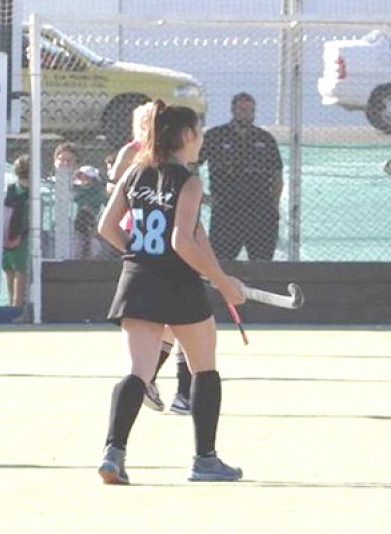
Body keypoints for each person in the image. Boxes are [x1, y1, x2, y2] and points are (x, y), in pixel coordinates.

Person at [97, 99, 245, 484]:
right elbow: (182, 241)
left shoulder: (133, 174)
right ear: (187, 135)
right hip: (178, 284)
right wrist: (223, 283)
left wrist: (139, 253)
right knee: (204, 368)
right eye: (199, 133)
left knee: (138, 372)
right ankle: (205, 460)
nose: (201, 140)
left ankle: (113, 455)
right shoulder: (189, 181)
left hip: (137, 280)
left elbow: (107, 227)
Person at [108, 102, 193, 414]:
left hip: (156, 250)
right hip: (149, 246)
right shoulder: (135, 156)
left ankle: (172, 389)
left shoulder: (177, 166)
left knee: (171, 326)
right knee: (181, 324)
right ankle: (174, 390)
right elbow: (113, 198)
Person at [198, 92, 283, 261]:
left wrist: (273, 205)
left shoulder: (265, 139)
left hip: (260, 213)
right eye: (243, 110)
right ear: (233, 110)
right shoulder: (215, 136)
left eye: (251, 110)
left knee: (262, 265)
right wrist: (202, 197)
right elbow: (192, 165)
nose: (247, 114)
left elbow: (277, 176)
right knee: (221, 262)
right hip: (227, 211)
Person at [3, 154, 31, 322]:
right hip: (9, 232)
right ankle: (12, 302)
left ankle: (17, 304)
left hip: (24, 234)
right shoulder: (11, 189)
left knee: (20, 270)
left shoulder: (33, 192)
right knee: (9, 269)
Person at [72, 165, 108, 259]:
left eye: (87, 177)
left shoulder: (98, 192)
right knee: (77, 246)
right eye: (81, 176)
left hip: (93, 222)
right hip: (76, 222)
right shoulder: (75, 189)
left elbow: (105, 206)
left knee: (93, 246)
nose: (83, 179)